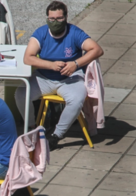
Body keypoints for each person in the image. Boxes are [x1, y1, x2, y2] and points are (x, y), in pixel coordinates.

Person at [14, 0, 103, 150]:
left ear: (66, 17)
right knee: (20, 94)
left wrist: (75, 64)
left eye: (59, 19)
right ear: (47, 18)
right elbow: (28, 57)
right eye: (52, 19)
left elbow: (97, 50)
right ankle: (31, 128)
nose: (55, 22)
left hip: (71, 79)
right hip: (44, 78)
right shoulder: (40, 33)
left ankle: (56, 136)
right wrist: (51, 65)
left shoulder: (74, 32)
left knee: (77, 99)